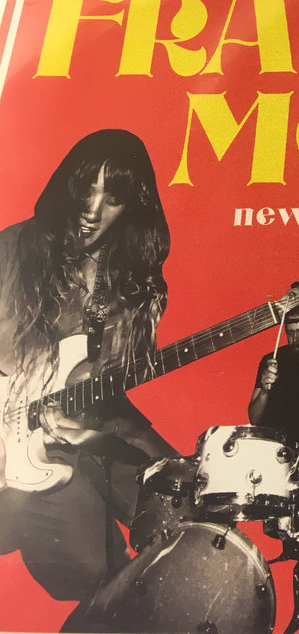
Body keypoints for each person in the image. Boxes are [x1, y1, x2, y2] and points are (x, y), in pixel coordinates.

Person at [0, 129, 178, 606]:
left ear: (134, 205)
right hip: (16, 434)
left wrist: (91, 423)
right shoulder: (14, 249)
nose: (92, 211)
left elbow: (106, 385)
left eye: (113, 198)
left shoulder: (133, 279)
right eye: (86, 190)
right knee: (94, 567)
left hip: (90, 416)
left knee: (187, 501)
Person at [248, 301, 299, 446]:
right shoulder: (272, 360)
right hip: (272, 445)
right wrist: (265, 391)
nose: (295, 340)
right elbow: (254, 419)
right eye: (290, 332)